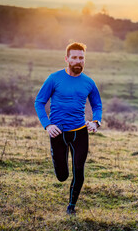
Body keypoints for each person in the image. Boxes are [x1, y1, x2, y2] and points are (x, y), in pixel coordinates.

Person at [34, 42, 102, 215]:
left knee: (79, 170)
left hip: (80, 132)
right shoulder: (54, 78)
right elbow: (39, 102)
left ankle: (71, 205)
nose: (78, 61)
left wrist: (96, 121)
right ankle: (59, 165)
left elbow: (97, 105)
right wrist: (47, 125)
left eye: (81, 58)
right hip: (57, 132)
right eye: (74, 58)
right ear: (67, 59)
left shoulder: (89, 82)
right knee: (62, 176)